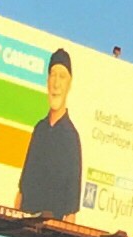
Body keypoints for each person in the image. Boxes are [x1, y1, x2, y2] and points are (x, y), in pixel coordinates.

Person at [17, 47, 87, 217]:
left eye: (62, 77)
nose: (56, 83)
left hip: (54, 227)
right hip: (26, 222)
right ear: (47, 80)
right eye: (53, 75)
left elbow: (72, 205)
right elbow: (22, 189)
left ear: (69, 84)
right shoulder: (39, 130)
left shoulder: (71, 137)